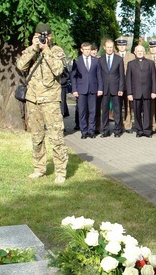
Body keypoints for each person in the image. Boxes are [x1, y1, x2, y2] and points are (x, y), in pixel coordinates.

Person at [15, 23, 69, 184]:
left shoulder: (56, 51)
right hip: (33, 99)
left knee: (56, 136)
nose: (44, 38)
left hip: (50, 100)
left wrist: (46, 50)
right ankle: (39, 168)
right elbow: (20, 66)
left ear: (51, 37)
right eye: (40, 35)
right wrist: (33, 48)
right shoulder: (31, 50)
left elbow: (58, 70)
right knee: (36, 136)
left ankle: (60, 171)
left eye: (47, 36)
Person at [71, 42, 103, 139]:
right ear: (82, 50)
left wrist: (100, 88)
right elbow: (73, 76)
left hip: (93, 89)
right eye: (85, 50)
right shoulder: (77, 60)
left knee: (93, 111)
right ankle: (84, 131)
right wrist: (74, 90)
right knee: (82, 112)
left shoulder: (95, 61)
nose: (87, 51)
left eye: (89, 49)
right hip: (81, 90)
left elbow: (99, 76)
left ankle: (91, 131)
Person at [125, 45, 156, 137]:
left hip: (147, 92)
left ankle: (147, 131)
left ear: (144, 52)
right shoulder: (130, 64)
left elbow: (153, 78)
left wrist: (154, 91)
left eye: (141, 51)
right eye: (138, 51)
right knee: (137, 112)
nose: (139, 52)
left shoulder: (150, 63)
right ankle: (139, 131)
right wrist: (129, 93)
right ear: (135, 52)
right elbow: (128, 79)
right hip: (136, 92)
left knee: (147, 112)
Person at [98, 39, 124, 137]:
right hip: (104, 89)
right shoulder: (100, 59)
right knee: (104, 111)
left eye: (111, 47)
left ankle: (117, 130)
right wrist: (99, 89)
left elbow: (122, 76)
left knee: (117, 111)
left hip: (116, 89)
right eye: (108, 47)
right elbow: (99, 76)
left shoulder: (119, 59)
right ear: (104, 48)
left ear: (113, 48)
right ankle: (105, 130)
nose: (109, 49)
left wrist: (121, 89)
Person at [116, 38, 135, 133]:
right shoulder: (114, 55)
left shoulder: (131, 56)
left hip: (128, 84)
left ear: (126, 46)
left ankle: (128, 125)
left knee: (128, 106)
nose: (122, 47)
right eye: (120, 45)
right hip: (117, 85)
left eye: (123, 45)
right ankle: (119, 125)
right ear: (117, 46)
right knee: (118, 106)